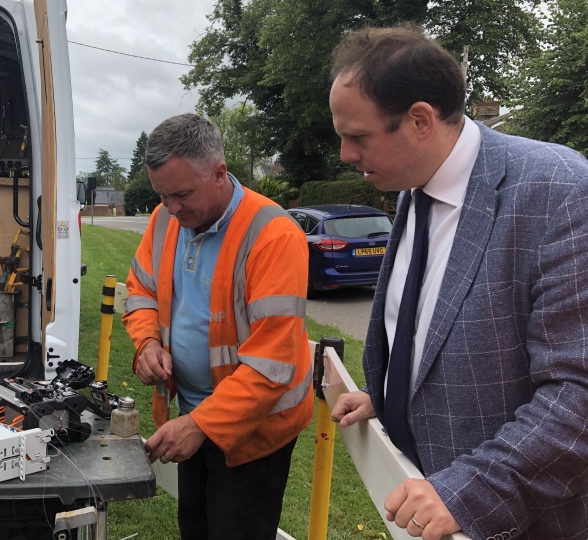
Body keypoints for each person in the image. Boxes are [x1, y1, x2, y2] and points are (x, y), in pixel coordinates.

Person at [329, 25, 588, 540]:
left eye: (358, 136)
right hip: (420, 504)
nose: (344, 154)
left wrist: (468, 493)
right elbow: (429, 326)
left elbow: (577, 393)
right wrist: (388, 395)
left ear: (420, 120)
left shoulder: (558, 189)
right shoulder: (411, 189)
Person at [122, 113, 315, 540]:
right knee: (195, 526)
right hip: (191, 418)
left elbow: (271, 365)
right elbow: (140, 293)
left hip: (255, 432)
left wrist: (200, 425)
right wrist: (148, 342)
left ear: (220, 173)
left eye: (182, 194)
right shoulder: (164, 219)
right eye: (163, 196)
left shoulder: (273, 235)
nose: (172, 208)